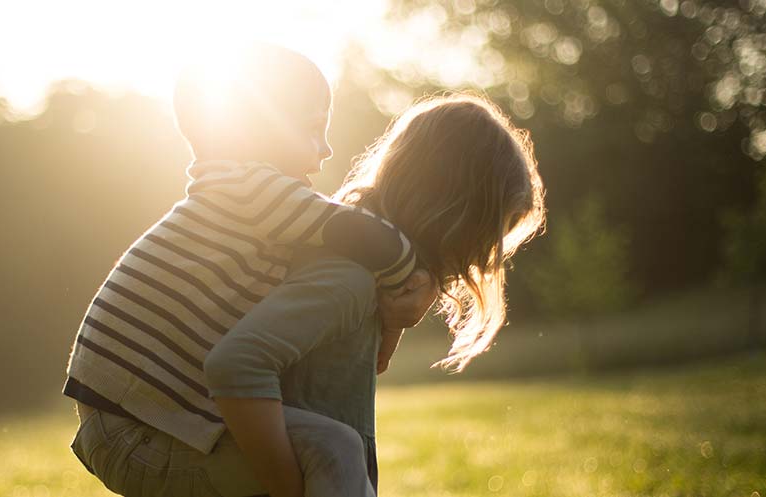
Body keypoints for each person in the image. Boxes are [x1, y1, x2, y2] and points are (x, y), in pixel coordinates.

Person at [68, 92, 545, 497]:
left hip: (154, 426)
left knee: (335, 450)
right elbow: (236, 365)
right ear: (455, 213)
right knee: (335, 448)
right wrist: (287, 488)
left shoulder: (355, 265)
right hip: (141, 434)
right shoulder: (348, 277)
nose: (486, 257)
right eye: (493, 233)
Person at [63, 43, 437, 497]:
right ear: (259, 130)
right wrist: (412, 284)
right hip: (140, 430)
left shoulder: (234, 195)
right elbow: (363, 234)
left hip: (132, 419)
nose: (326, 148)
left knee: (318, 443)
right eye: (314, 129)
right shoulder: (251, 189)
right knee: (334, 446)